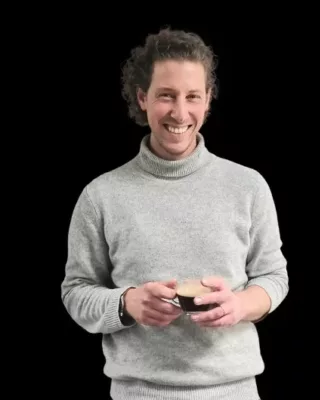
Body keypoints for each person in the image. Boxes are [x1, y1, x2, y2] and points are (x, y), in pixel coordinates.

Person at [61, 27, 289, 400]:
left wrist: (241, 305)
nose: (180, 113)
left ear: (208, 100)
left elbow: (274, 277)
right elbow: (76, 292)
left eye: (192, 97)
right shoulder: (100, 195)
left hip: (235, 392)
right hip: (137, 394)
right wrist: (126, 303)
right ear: (142, 98)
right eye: (166, 96)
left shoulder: (248, 186)